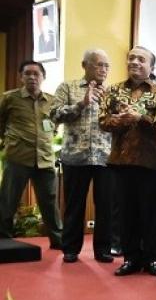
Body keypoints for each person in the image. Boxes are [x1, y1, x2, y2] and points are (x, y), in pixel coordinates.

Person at [99, 46, 156, 277]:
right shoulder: (114, 90)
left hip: (151, 160)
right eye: (131, 58)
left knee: (151, 212)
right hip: (121, 160)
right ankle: (131, 258)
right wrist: (121, 120)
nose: (135, 62)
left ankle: (154, 259)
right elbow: (103, 122)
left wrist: (140, 118)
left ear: (151, 66)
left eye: (141, 59)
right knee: (126, 213)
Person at [50, 49, 113, 263]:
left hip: (106, 158)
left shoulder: (113, 91)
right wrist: (82, 104)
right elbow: (54, 114)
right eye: (98, 64)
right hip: (75, 157)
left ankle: (103, 249)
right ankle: (70, 249)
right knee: (74, 205)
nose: (103, 69)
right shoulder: (67, 87)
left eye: (106, 65)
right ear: (84, 65)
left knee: (105, 206)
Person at [0, 61, 63, 249]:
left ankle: (58, 240)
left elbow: (54, 125)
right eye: (27, 73)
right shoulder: (9, 98)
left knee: (50, 202)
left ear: (43, 77)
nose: (32, 77)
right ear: (21, 77)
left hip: (44, 159)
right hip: (18, 157)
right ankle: (3, 239)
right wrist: (8, 140)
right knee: (8, 200)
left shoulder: (51, 101)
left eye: (36, 74)